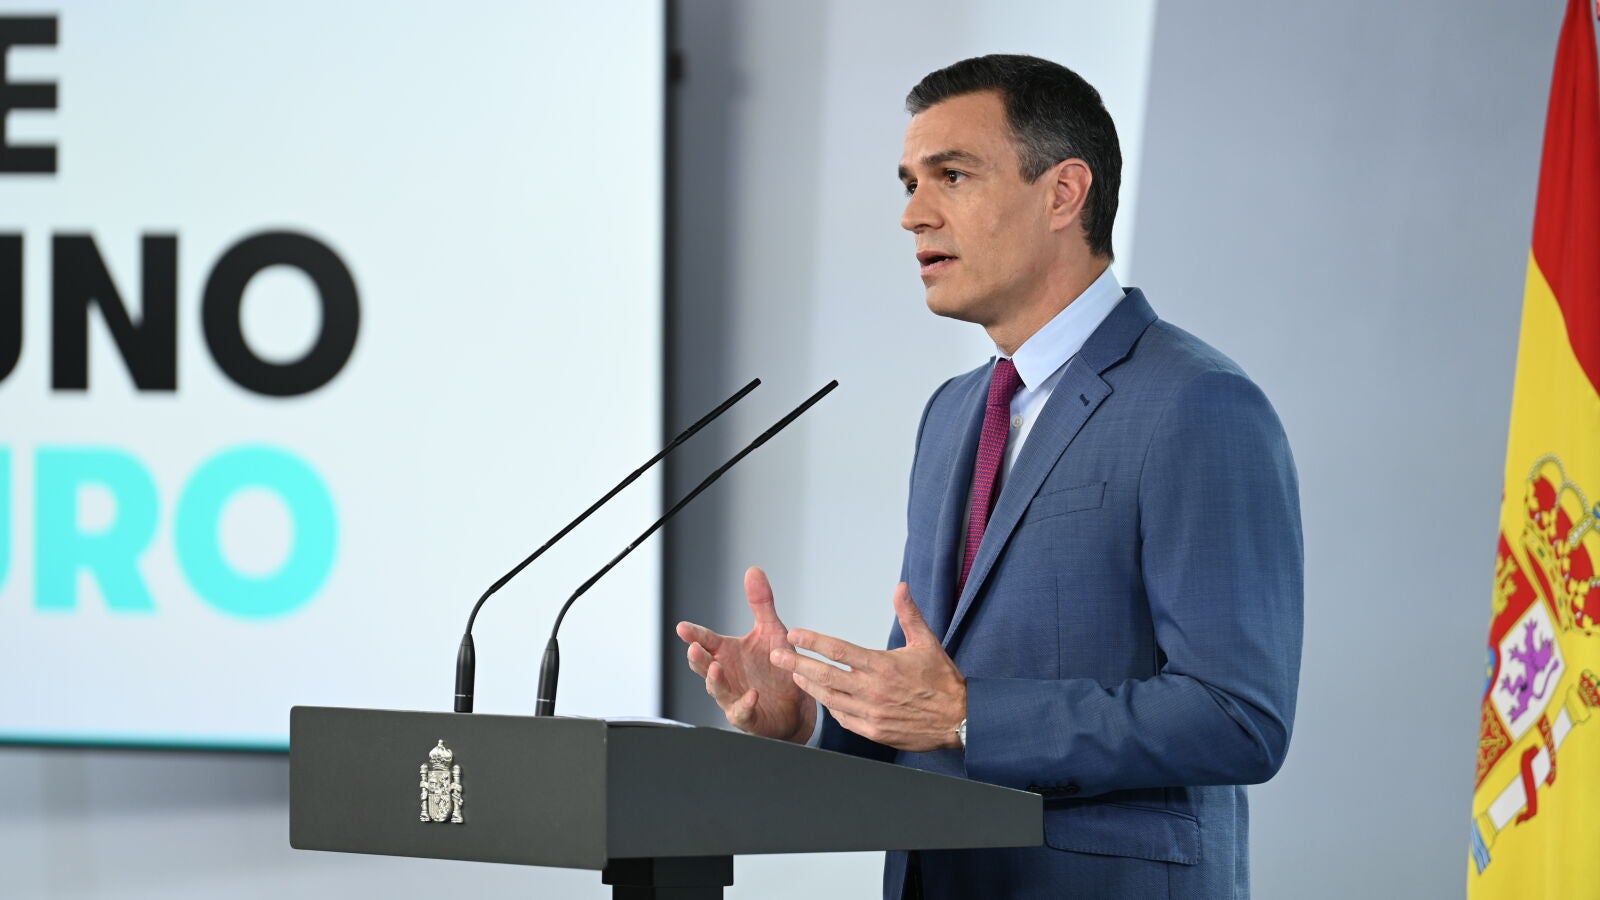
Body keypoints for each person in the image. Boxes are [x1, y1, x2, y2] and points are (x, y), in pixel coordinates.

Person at [676, 54, 1303, 900]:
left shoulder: (1198, 404)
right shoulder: (953, 413)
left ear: (1063, 193)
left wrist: (972, 714)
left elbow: (1238, 717)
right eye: (910, 183)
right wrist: (811, 719)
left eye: (952, 175)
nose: (913, 214)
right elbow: (927, 695)